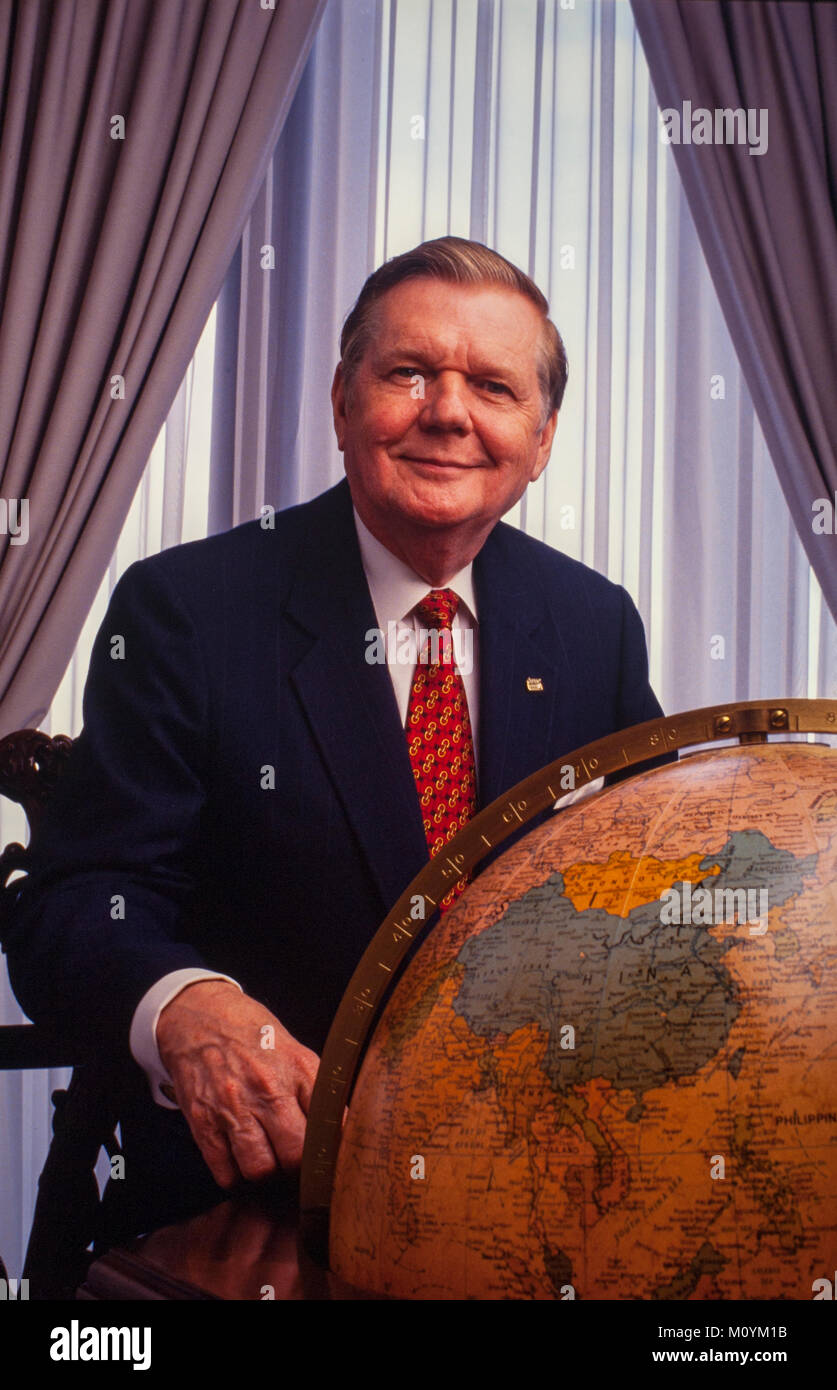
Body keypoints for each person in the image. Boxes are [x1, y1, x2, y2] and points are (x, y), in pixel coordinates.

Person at [6, 237, 668, 1247]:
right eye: (409, 372)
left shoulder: (593, 625)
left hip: (530, 1213)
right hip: (251, 1212)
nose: (448, 410)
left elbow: (654, 893)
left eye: (492, 385)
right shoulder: (188, 610)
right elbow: (77, 903)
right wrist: (182, 1008)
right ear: (342, 400)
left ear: (541, 438)